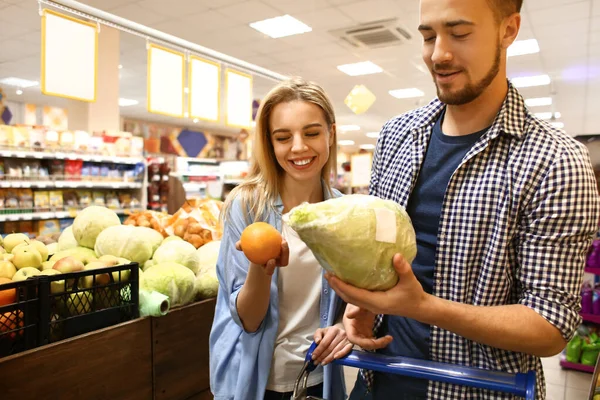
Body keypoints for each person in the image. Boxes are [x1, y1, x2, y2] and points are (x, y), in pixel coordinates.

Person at [325, 0, 600, 399]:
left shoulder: (557, 161)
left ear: (508, 30)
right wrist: (366, 306)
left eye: (459, 33)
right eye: (428, 36)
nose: (438, 54)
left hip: (479, 389)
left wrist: (422, 306)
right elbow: (379, 253)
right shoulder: (395, 136)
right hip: (376, 380)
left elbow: (550, 326)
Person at [209, 78, 351, 400]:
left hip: (318, 376)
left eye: (312, 133)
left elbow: (354, 300)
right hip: (254, 380)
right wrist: (262, 268)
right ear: (270, 144)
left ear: (331, 132)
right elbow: (248, 319)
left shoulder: (344, 213)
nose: (299, 147)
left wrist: (344, 328)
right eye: (283, 137)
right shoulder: (247, 206)